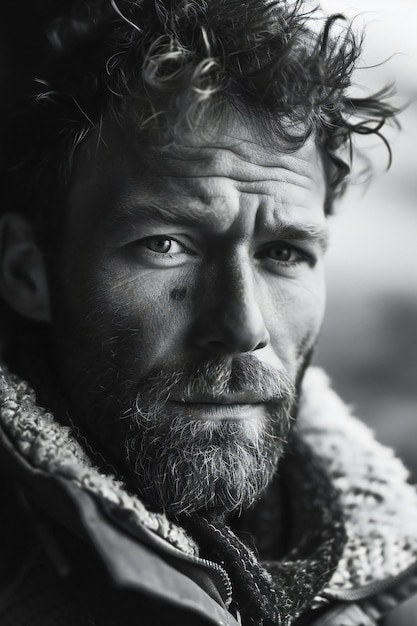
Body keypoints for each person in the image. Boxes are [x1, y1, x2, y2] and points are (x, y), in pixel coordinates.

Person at [0, 1, 416, 624]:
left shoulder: (387, 583)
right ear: (26, 273)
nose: (243, 327)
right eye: (166, 245)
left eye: (284, 252)